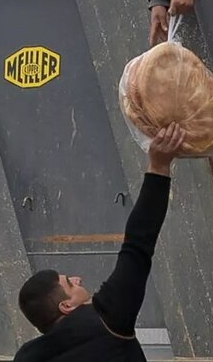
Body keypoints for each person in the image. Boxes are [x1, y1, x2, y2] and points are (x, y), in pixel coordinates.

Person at [13, 124, 187, 362]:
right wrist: (159, 165)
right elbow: (138, 244)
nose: (77, 279)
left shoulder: (27, 357)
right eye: (69, 284)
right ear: (66, 306)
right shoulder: (107, 319)